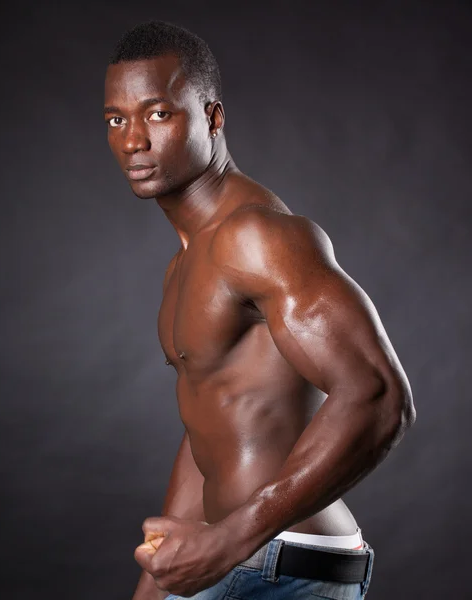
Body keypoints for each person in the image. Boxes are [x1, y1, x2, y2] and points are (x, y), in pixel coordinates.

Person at [103, 20, 416, 600]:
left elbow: (377, 395)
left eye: (158, 113)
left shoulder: (253, 235)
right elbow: (209, 431)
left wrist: (232, 539)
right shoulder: (186, 263)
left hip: (285, 565)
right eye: (117, 119)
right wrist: (154, 583)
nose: (133, 140)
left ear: (213, 118)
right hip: (237, 558)